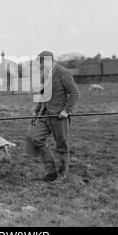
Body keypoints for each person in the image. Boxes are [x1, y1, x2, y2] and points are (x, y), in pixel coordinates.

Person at [31, 51, 80, 182]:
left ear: (47, 61)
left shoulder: (62, 72)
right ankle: (51, 171)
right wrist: (36, 111)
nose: (40, 67)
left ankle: (63, 174)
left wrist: (67, 110)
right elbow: (42, 95)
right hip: (45, 114)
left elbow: (74, 92)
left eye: (41, 63)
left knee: (61, 146)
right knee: (36, 139)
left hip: (59, 116)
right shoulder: (45, 75)